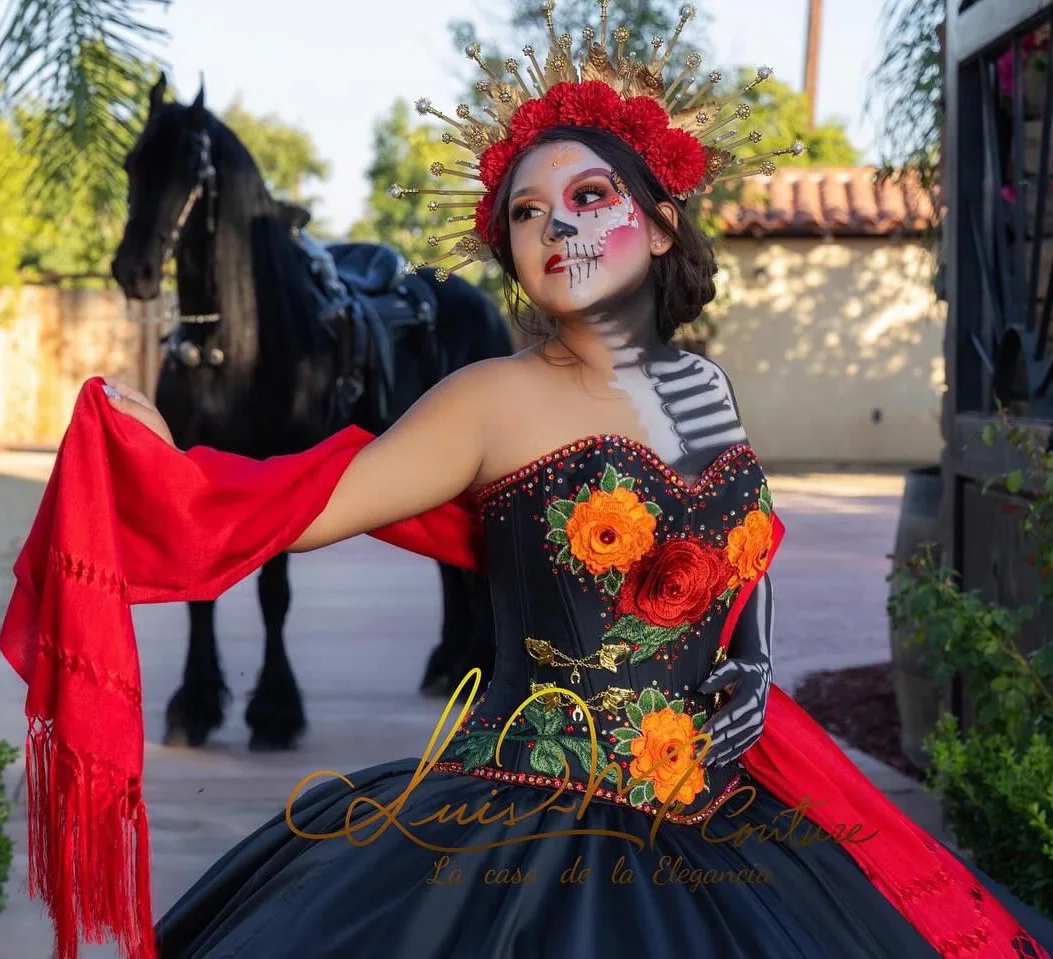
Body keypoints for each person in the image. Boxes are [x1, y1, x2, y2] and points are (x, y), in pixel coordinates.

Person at [6, 6, 1053, 958]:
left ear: (660, 221)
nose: (557, 226)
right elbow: (308, 499)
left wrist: (752, 658)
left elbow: (744, 544)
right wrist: (156, 460)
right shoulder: (488, 399)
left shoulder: (704, 386)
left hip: (723, 817)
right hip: (521, 826)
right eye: (527, 212)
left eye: (588, 197)